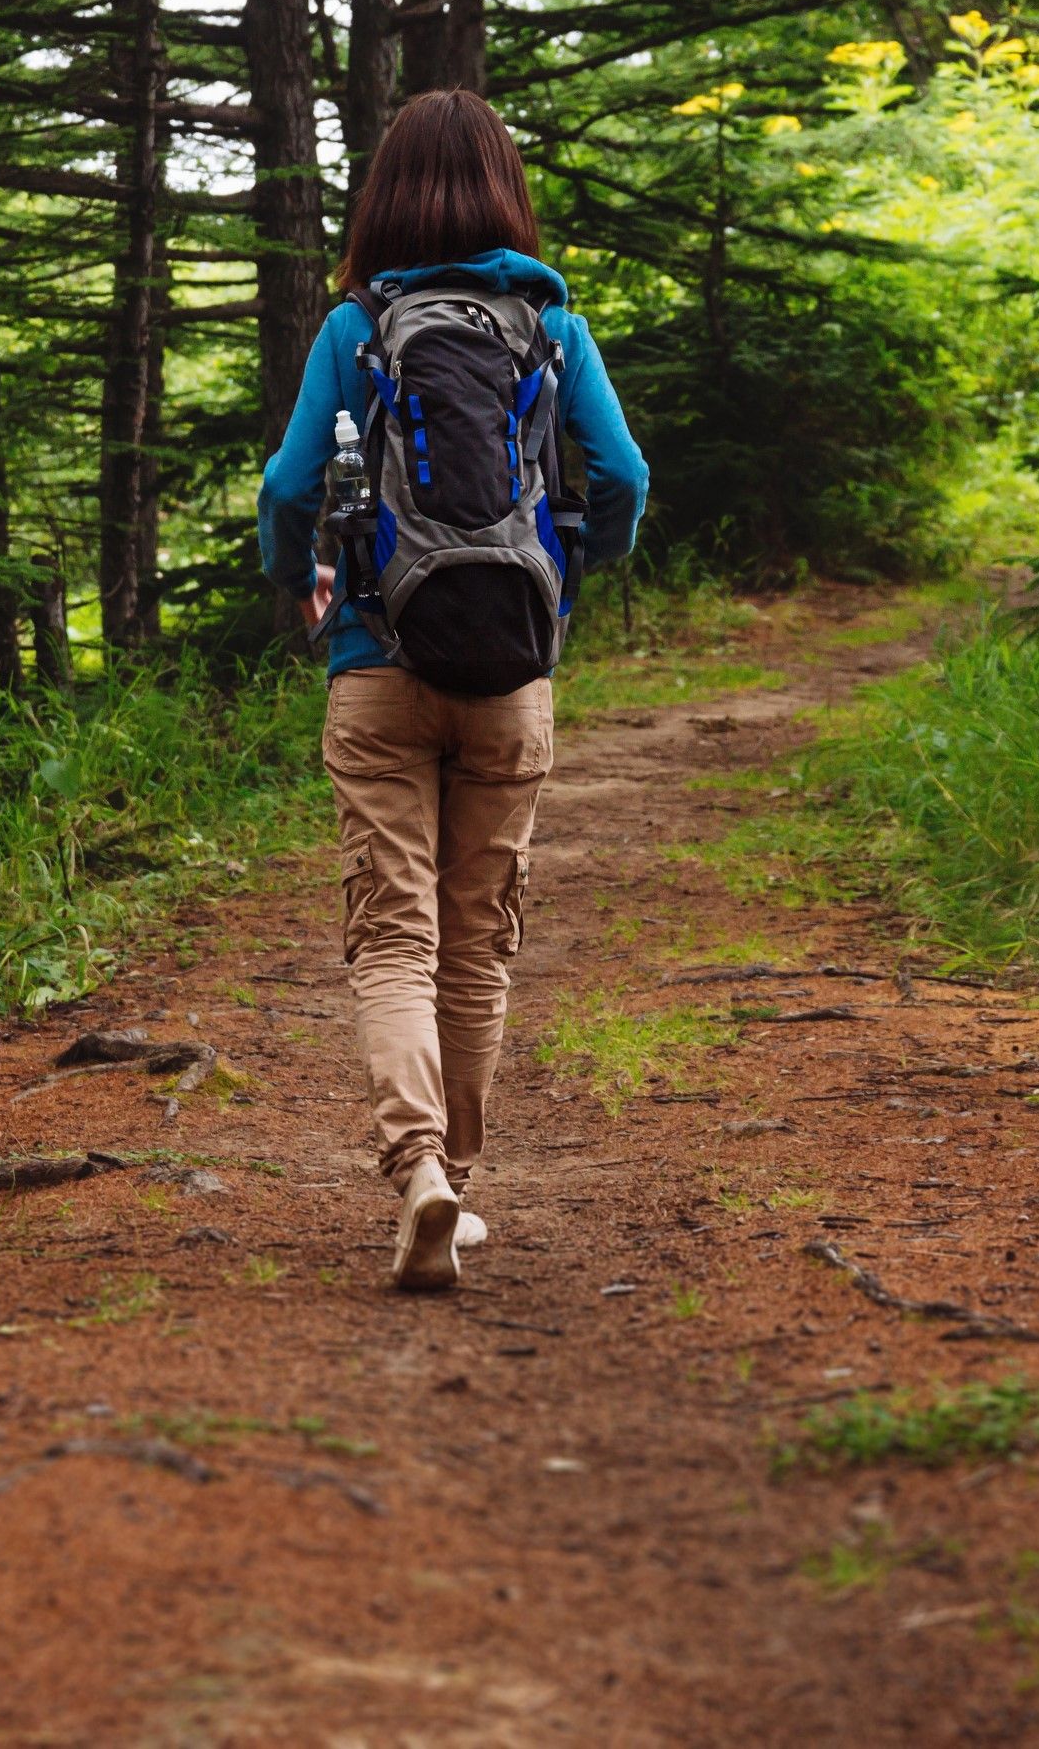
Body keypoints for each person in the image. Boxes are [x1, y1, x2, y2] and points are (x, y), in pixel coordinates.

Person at [258, 90, 649, 1292]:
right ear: (501, 192)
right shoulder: (547, 324)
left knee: (392, 938)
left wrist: (304, 594)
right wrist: (567, 583)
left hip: (376, 665)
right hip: (510, 673)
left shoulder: (355, 326)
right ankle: (457, 1192)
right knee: (477, 946)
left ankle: (417, 1171)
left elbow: (285, 492)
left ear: (384, 197)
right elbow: (623, 475)